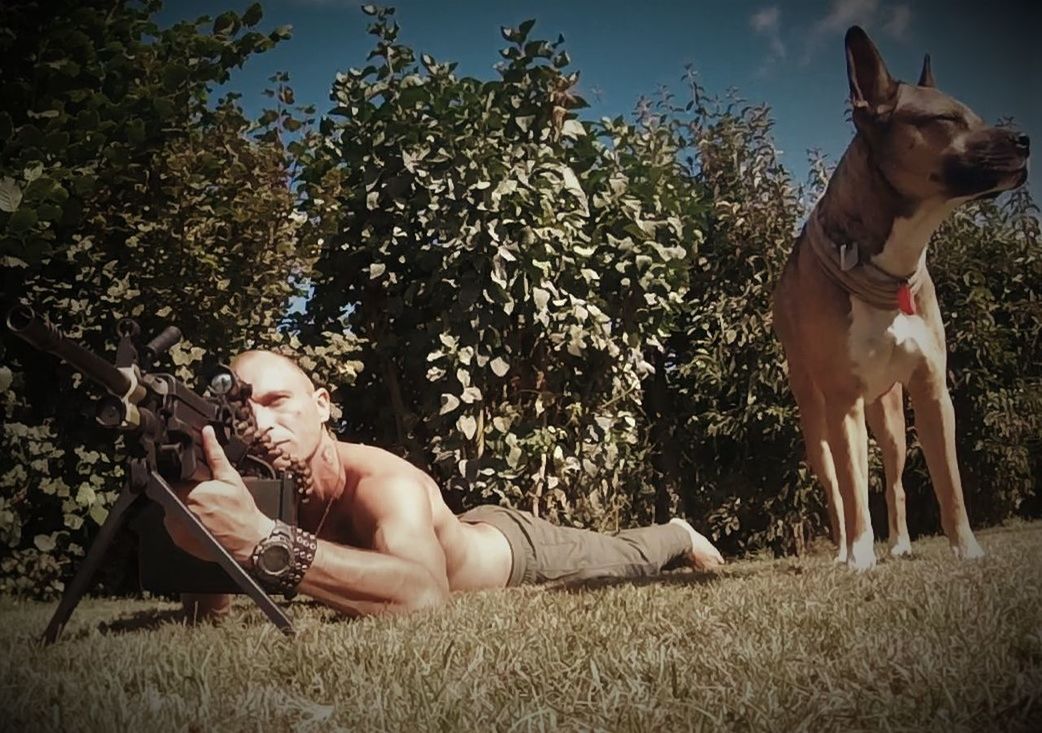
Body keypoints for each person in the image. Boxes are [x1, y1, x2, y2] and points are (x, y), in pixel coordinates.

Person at [170, 350, 725, 620]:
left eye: (278, 403)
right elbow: (206, 615)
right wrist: (207, 534)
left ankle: (677, 531)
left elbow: (425, 595)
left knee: (625, 555)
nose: (263, 425)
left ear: (323, 405)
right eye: (245, 415)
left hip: (517, 551)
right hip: (458, 527)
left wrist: (266, 543)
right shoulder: (263, 484)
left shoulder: (384, 483)